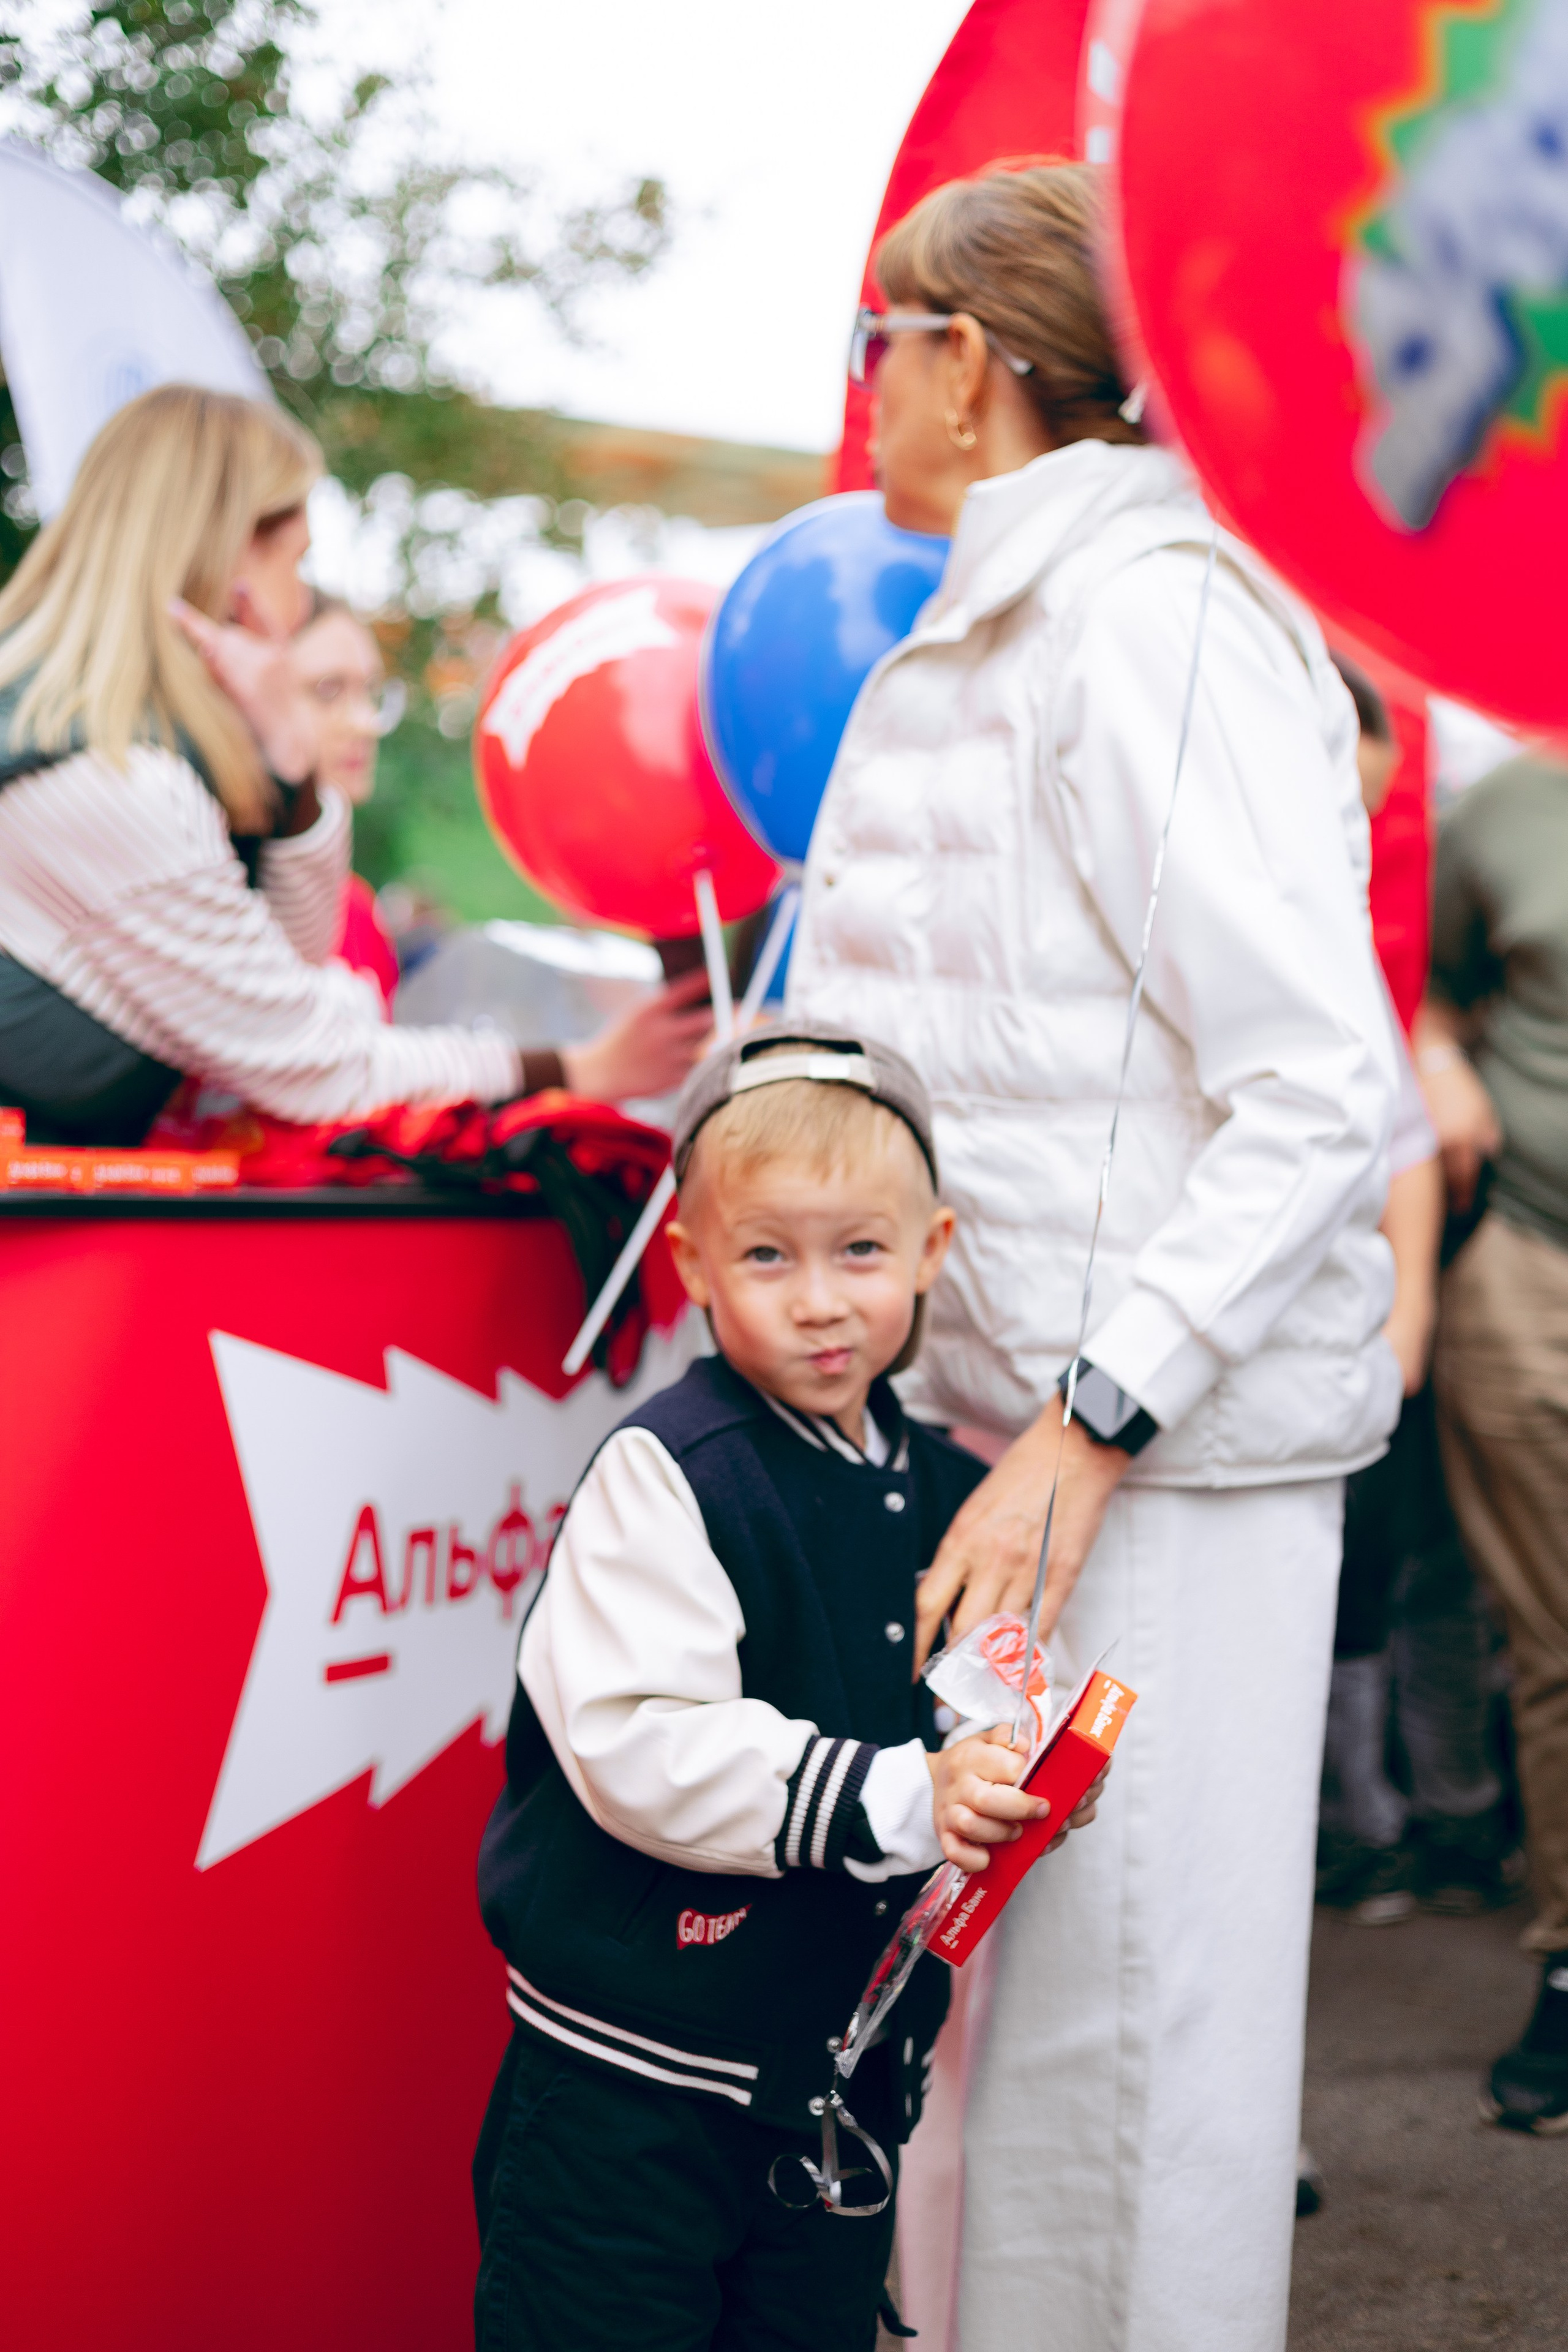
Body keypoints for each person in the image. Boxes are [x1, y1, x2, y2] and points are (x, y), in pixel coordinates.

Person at [785, 164, 1399, 2350]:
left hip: (1158, 1471)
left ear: (971, 356)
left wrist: (1089, 1417)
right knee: (1015, 2060)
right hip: (1014, 1443)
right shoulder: (999, 625)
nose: (858, 380)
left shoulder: (1152, 620)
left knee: (1135, 2072)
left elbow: (1316, 1082)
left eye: (881, 332)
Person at [472, 1021, 1102, 2351]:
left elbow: (956, 1710)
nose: (818, 1298)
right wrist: (902, 1794)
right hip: (626, 2098)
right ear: (692, 1266)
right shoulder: (671, 1472)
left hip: (835, 2094)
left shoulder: (944, 1492)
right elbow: (641, 1746)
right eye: (767, 1255)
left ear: (930, 1252)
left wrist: (1012, 1778)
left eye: (859, 1251)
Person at [0, 385, 702, 1144]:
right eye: (296, 563)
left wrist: (291, 760)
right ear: (231, 560)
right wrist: (573, 1068)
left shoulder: (104, 753)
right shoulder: (111, 785)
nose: (298, 601)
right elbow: (315, 1065)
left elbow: (299, 963)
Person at [1316, 655, 1509, 1930]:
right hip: (1356, 1292)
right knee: (1364, 1566)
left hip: (1419, 1274)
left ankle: (1444, 1808)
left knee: (1434, 1556)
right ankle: (1365, 1822)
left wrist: (1410, 1328)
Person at [290, 590, 715, 1096]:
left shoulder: (357, 915)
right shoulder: (223, 891)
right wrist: (582, 1070)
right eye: (326, 692)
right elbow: (330, 1078)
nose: (363, 722)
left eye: (371, 694)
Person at [1420, 745, 1568, 2133]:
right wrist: (1431, 1053)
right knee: (1557, 1644)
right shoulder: (1503, 805)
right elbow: (1413, 969)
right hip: (1524, 1262)